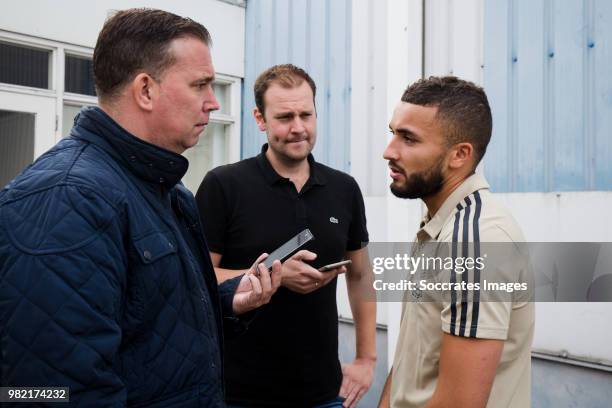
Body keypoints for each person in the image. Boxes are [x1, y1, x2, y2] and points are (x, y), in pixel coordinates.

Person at [0, 8, 281, 407]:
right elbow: (53, 392)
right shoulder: (66, 199)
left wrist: (229, 302)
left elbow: (148, 323)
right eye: (200, 85)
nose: (212, 103)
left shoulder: (165, 189)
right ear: (145, 90)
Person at [195, 64, 377, 408]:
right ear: (260, 119)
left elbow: (361, 273)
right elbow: (197, 279)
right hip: (239, 394)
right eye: (284, 117)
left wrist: (367, 359)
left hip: (323, 393)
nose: (298, 128)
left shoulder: (343, 188)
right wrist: (275, 278)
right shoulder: (224, 186)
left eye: (306, 114)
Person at [377, 76, 534, 408]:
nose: (388, 151)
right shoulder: (440, 225)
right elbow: (412, 360)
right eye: (393, 133)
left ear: (460, 155)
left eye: (408, 139)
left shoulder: (475, 241)